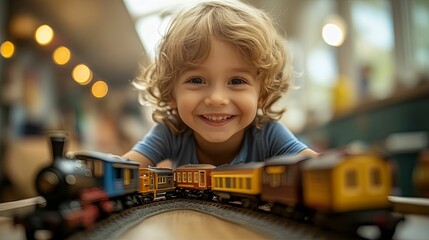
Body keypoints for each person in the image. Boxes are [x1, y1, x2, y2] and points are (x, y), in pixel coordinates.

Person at [123, 0, 318, 168]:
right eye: (196, 80)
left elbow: (317, 167)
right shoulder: (172, 132)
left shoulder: (267, 133)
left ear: (263, 95)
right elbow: (124, 168)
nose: (217, 98)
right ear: (171, 94)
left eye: (236, 81)